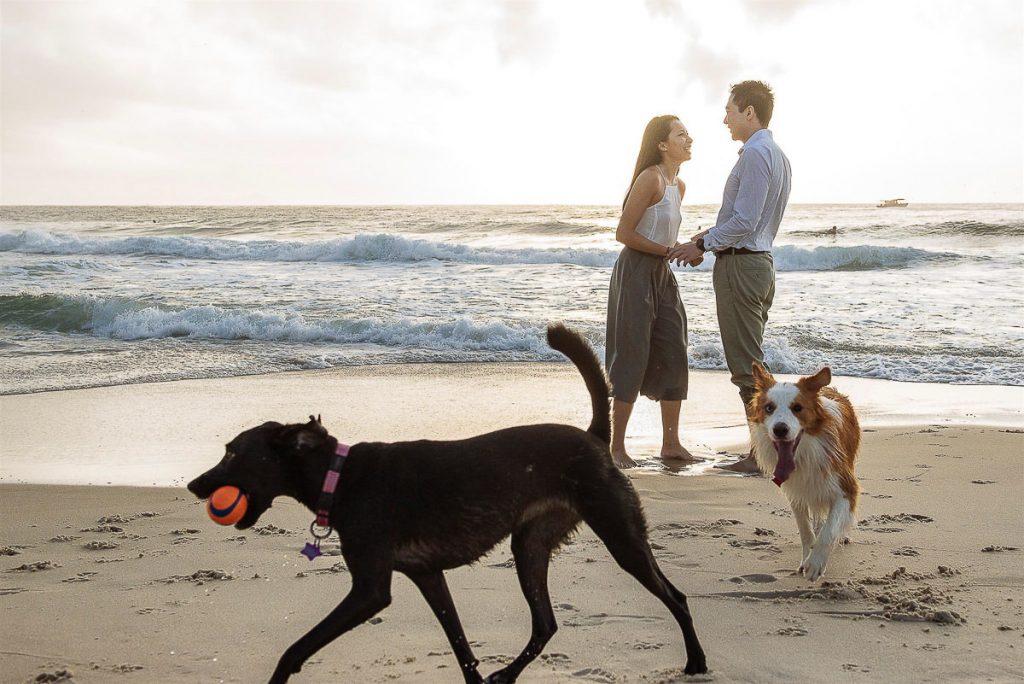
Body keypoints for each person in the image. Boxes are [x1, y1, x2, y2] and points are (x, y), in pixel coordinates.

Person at [674, 80, 792, 473]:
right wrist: (707, 236)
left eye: (729, 110)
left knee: (746, 367)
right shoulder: (775, 154)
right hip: (756, 263)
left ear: (749, 112)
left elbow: (746, 221)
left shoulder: (757, 155)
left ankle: (763, 454)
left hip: (743, 266)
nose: (724, 118)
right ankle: (767, 450)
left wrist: (704, 246)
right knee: (751, 362)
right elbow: (749, 220)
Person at [606, 115, 699, 469]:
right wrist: (667, 251)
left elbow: (663, 236)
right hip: (635, 271)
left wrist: (682, 249)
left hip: (662, 273)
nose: (689, 139)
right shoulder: (650, 178)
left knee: (675, 349)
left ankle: (671, 443)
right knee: (631, 353)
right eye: (681, 134)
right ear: (662, 144)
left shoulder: (680, 186)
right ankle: (616, 447)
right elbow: (624, 233)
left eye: (688, 134)